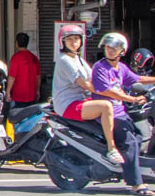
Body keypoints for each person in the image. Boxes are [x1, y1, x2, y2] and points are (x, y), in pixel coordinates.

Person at [89, 32, 155, 196]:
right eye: (108, 47)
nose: (110, 51)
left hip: (120, 112)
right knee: (130, 142)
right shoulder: (100, 67)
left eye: (115, 48)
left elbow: (138, 79)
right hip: (107, 113)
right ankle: (136, 184)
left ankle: (125, 166)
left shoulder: (120, 68)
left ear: (122, 51)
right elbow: (107, 91)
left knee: (140, 136)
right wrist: (130, 99)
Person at [50, 24, 133, 169]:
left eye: (77, 38)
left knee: (110, 104)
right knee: (106, 106)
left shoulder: (79, 59)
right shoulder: (64, 60)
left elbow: (95, 79)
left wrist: (117, 90)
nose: (74, 42)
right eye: (69, 39)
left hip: (80, 101)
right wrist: (115, 94)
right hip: (68, 104)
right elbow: (86, 85)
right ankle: (111, 148)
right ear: (62, 41)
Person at [6, 33, 41, 108]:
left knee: (16, 117)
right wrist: (38, 90)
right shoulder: (34, 58)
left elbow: (12, 77)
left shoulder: (16, 58)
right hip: (32, 95)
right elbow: (38, 76)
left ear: (16, 43)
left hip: (18, 96)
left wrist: (8, 92)